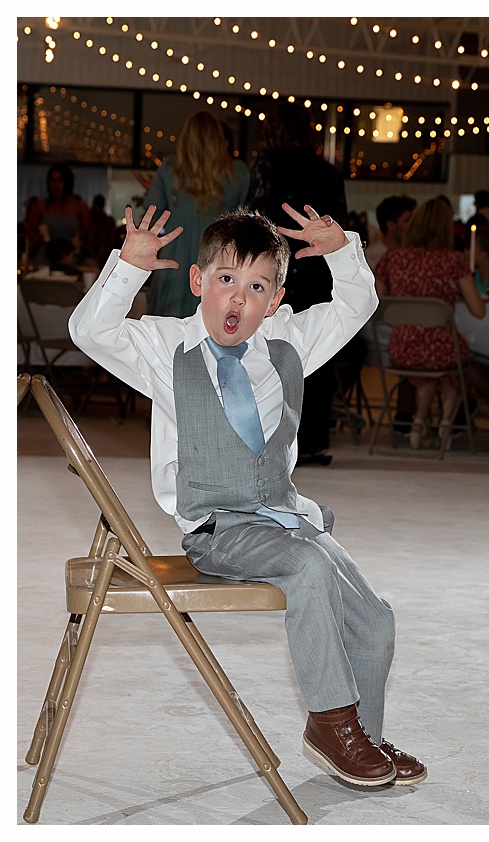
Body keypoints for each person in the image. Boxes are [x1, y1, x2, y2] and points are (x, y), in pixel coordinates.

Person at [69, 203, 425, 787]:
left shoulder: (289, 342)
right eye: (225, 281)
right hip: (220, 530)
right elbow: (89, 331)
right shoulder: (165, 348)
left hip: (285, 519)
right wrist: (128, 269)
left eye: (257, 287)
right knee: (308, 569)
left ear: (278, 298)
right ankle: (330, 721)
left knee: (376, 619)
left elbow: (357, 304)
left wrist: (340, 249)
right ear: (197, 282)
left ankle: (366, 735)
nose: (238, 299)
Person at [246, 102, 353, 468]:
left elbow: (252, 219)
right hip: (318, 270)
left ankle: (271, 435)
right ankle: (314, 440)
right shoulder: (328, 171)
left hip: (276, 270)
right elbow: (342, 226)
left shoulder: (267, 165)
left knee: (271, 350)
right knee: (317, 351)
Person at [373, 197, 484, 450]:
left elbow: (377, 305)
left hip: (403, 346)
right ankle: (445, 423)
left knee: (433, 362)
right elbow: (478, 310)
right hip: (441, 349)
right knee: (455, 360)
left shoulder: (393, 259)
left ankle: (418, 422)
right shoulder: (453, 261)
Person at [141, 111, 252, 317]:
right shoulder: (238, 172)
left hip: (176, 255)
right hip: (220, 255)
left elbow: (151, 216)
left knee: (169, 327)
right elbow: (247, 220)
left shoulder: (170, 169)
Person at [25, 163, 95, 265]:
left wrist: (79, 238)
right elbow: (30, 232)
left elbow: (88, 233)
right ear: (48, 183)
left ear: (67, 182)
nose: (55, 185)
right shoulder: (40, 205)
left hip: (70, 257)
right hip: (46, 258)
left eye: (60, 180)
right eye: (52, 180)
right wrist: (43, 239)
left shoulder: (80, 206)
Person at [363, 195, 416, 269]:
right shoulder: (371, 257)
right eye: (407, 220)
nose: (412, 225)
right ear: (391, 225)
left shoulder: (413, 255)